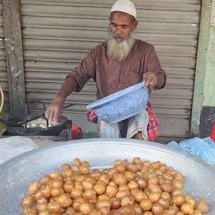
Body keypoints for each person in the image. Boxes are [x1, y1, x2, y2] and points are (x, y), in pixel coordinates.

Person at [44, 0, 166, 141]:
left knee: (137, 133)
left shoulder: (146, 50)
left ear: (134, 26)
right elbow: (77, 76)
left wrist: (154, 78)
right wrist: (60, 98)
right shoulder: (98, 53)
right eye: (114, 25)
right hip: (108, 111)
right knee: (109, 137)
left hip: (136, 108)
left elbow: (160, 76)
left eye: (124, 26)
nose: (118, 31)